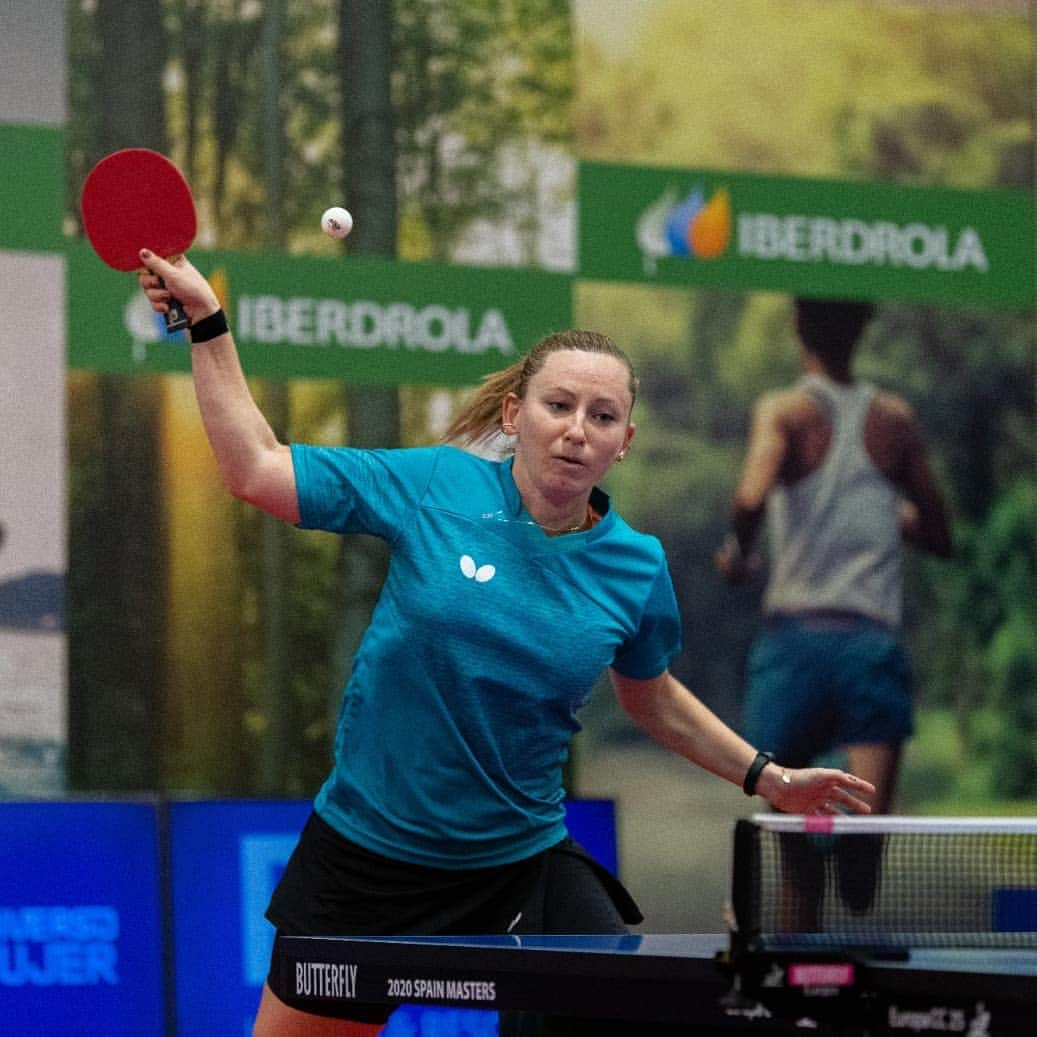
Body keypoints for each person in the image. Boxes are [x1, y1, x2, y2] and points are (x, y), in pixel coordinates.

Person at [137, 253, 875, 1037]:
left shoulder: (634, 566)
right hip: (368, 852)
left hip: (516, 864)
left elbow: (650, 694)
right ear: (516, 414)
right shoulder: (436, 487)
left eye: (600, 415)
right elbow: (254, 467)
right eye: (558, 404)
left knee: (627, 1002)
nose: (575, 429)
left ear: (623, 440)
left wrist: (768, 776)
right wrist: (207, 324)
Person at [716, 297, 952, 816]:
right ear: (861, 331)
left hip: (794, 648)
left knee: (789, 843)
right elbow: (940, 533)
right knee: (863, 839)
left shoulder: (784, 410)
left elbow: (751, 498)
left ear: (799, 326)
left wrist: (737, 555)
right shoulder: (895, 421)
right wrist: (889, 516)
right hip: (869, 648)